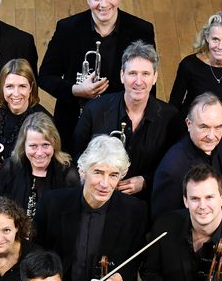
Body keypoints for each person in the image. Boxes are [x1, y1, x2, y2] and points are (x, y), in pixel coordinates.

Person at [38, 0, 156, 146]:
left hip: (122, 124)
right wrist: (76, 90)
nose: (104, 4)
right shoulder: (67, 28)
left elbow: (148, 86)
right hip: (74, 123)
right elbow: (45, 77)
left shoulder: (141, 30)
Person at [34, 134, 147, 281]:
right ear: (82, 171)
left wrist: (119, 277)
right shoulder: (52, 203)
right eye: (98, 172)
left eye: (113, 175)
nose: (105, 183)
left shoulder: (135, 211)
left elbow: (136, 256)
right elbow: (36, 249)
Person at [71, 41, 180, 201]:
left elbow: (174, 165)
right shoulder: (94, 110)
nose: (138, 81)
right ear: (122, 76)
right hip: (98, 196)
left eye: (145, 74)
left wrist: (146, 181)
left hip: (145, 199)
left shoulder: (171, 117)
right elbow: (78, 154)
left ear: (155, 77)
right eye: (132, 73)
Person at [151, 93, 222, 217]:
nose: (211, 136)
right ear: (189, 124)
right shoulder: (171, 169)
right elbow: (166, 222)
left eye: (218, 127)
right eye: (204, 127)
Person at [0, 59, 49, 194]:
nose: (16, 93)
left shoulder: (43, 119)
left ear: (31, 87)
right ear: (2, 87)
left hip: (28, 191)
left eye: (22, 86)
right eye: (9, 86)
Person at [0, 112, 80, 219]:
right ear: (24, 145)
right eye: (33, 146)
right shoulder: (11, 167)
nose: (40, 153)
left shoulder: (68, 173)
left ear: (55, 143)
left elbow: (74, 216)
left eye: (45, 145)